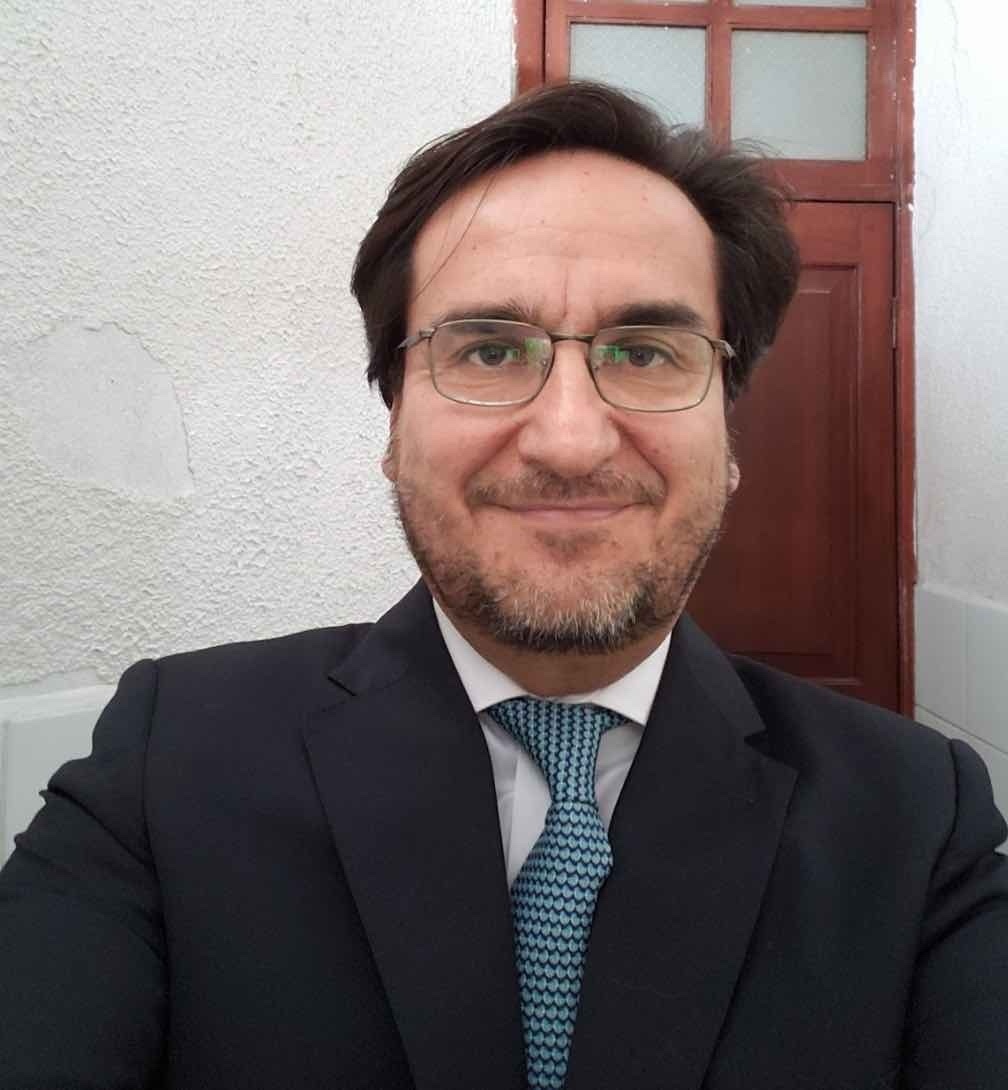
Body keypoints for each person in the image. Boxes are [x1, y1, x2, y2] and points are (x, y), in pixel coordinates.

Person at [1, 82, 1006, 1090]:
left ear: (729, 435)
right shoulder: (166, 763)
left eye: (646, 352)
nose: (570, 441)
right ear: (395, 424)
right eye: (487, 349)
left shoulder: (919, 820)